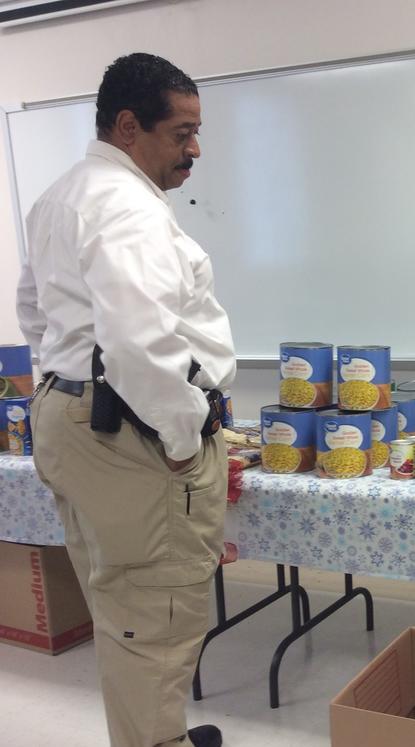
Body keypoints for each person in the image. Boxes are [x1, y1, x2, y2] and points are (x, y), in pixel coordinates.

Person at [16, 53, 235, 747]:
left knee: (123, 606)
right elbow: (140, 344)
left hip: (73, 418)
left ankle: (149, 735)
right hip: (131, 434)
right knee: (157, 615)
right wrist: (182, 437)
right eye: (183, 132)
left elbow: (32, 309)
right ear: (130, 125)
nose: (195, 148)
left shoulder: (64, 194)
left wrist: (62, 374)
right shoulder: (127, 207)